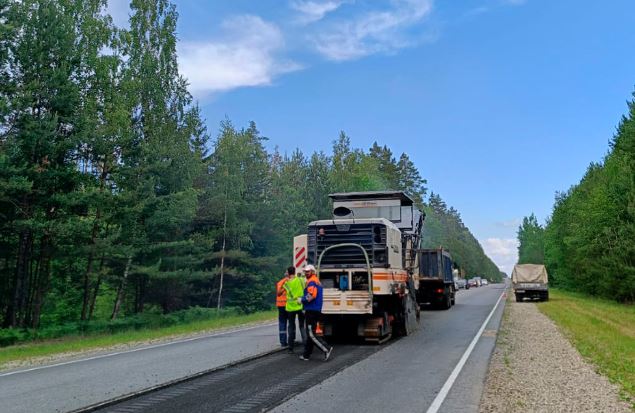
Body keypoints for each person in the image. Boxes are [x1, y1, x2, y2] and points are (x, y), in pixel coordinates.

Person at [298, 264, 333, 361]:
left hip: (312, 311)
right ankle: (306, 355)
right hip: (314, 309)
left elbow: (312, 296)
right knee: (310, 333)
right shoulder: (316, 281)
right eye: (305, 271)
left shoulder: (312, 282)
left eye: (308, 271)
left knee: (311, 334)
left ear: (312, 272)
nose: (306, 273)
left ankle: (326, 348)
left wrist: (302, 300)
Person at [283, 266, 306, 353]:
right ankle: (305, 346)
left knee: (291, 327)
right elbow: (305, 285)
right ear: (295, 271)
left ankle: (290, 348)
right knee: (302, 326)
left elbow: (280, 292)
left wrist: (285, 278)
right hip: (300, 306)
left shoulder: (287, 283)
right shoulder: (300, 280)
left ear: (288, 273)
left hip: (290, 308)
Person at [276, 269, 291, 347]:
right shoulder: (291, 282)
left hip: (280, 305)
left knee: (282, 323)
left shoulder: (280, 282)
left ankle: (283, 341)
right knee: (291, 323)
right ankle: (291, 340)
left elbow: (278, 293)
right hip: (289, 305)